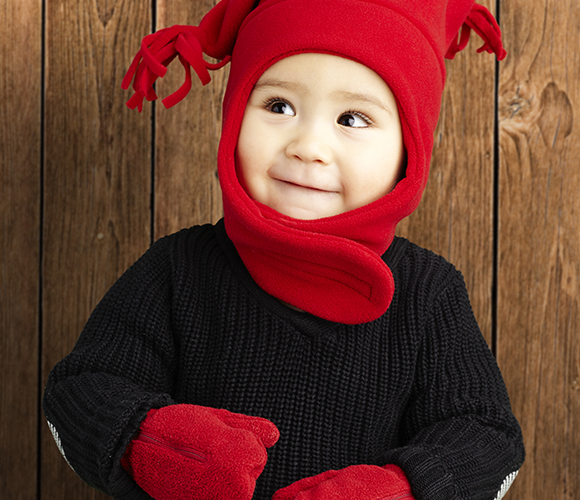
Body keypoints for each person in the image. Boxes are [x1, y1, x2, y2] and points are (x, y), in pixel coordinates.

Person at [42, 0, 525, 498]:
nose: (308, 145)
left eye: (353, 118)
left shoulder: (426, 293)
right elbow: (78, 392)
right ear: (234, 114)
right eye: (278, 107)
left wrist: (400, 488)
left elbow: (488, 438)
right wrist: (149, 441)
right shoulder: (178, 269)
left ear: (410, 150)